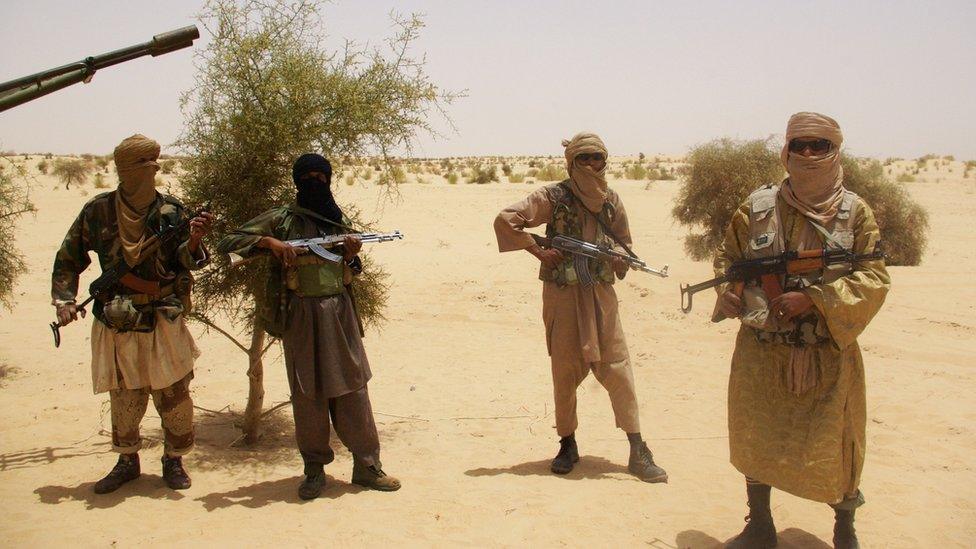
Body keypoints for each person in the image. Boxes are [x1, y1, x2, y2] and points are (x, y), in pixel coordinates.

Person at [713, 113, 890, 549]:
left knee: (837, 442)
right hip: (762, 350)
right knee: (757, 433)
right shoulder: (756, 208)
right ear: (786, 151)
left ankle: (844, 529)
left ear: (835, 151)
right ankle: (759, 524)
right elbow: (728, 258)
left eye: (820, 146)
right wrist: (729, 290)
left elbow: (874, 278)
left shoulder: (855, 213)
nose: (809, 155)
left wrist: (813, 299)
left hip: (826, 354)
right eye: (800, 146)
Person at [217, 153, 400, 500]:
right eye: (309, 176)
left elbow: (354, 268)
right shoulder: (282, 219)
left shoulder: (336, 218)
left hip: (340, 314)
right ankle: (314, 470)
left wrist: (350, 254)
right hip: (300, 313)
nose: (316, 182)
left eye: (322, 176)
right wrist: (269, 243)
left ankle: (367, 466)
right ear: (297, 181)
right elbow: (228, 242)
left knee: (353, 388)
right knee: (307, 392)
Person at [493, 132, 667, 483]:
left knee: (618, 367)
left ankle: (637, 448)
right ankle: (567, 443)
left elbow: (624, 245)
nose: (590, 165)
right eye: (583, 158)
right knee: (565, 371)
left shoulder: (612, 201)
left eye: (596, 158)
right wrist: (538, 250)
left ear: (605, 161)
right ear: (570, 163)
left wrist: (620, 260)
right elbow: (507, 219)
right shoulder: (552, 197)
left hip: (600, 296)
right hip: (563, 295)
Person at [51, 134, 213, 493]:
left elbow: (189, 261)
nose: (150, 171)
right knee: (124, 394)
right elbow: (69, 256)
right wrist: (64, 300)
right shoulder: (98, 211)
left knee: (174, 393)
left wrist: (196, 241)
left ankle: (174, 460)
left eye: (153, 164)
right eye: (143, 164)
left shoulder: (172, 211)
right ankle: (127, 460)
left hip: (163, 317)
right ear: (125, 170)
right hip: (117, 318)